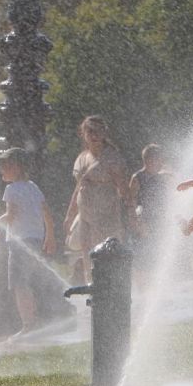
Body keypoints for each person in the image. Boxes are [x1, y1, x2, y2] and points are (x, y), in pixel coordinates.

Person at [0, 147, 55, 335]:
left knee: (19, 283)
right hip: (35, 240)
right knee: (28, 281)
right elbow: (47, 214)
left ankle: (28, 324)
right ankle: (34, 320)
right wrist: (50, 237)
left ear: (16, 167)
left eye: (4, 165)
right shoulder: (33, 187)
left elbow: (11, 215)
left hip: (19, 243)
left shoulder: (11, 189)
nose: (0, 169)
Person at [63, 116, 134, 283]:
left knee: (106, 256)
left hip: (106, 216)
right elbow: (78, 188)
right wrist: (69, 215)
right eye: (90, 131)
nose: (94, 135)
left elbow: (123, 188)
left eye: (98, 131)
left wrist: (131, 213)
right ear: (83, 134)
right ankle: (93, 295)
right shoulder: (82, 158)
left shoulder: (111, 158)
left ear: (104, 133)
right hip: (85, 215)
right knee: (88, 257)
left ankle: (111, 293)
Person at [129, 144, 174, 284]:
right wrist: (137, 224)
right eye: (156, 159)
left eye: (160, 159)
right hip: (145, 221)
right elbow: (131, 205)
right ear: (147, 160)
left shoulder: (164, 177)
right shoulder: (138, 178)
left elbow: (173, 199)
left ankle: (157, 286)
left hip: (161, 221)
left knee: (159, 255)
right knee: (143, 258)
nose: (159, 162)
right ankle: (142, 288)